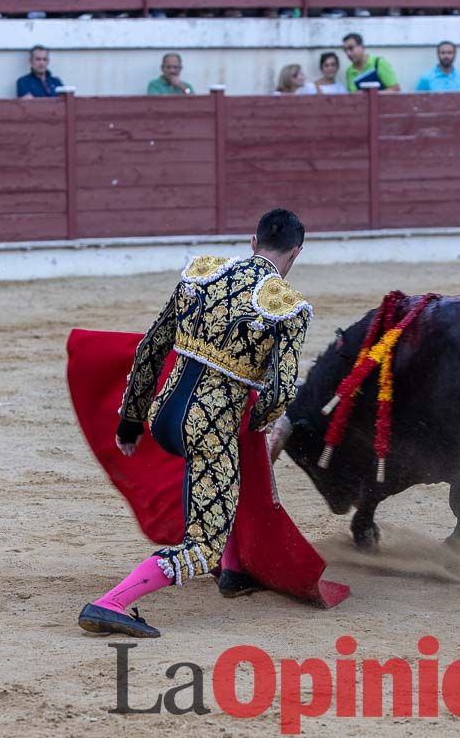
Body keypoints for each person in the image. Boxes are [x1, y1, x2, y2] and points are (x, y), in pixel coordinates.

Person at [78, 209, 311, 639]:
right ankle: (112, 601)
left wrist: (131, 419)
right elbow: (280, 392)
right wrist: (254, 424)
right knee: (203, 546)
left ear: (251, 241)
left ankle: (236, 570)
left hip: (163, 416)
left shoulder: (201, 271)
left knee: (222, 482)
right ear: (297, 252)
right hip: (209, 428)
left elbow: (152, 345)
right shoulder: (288, 307)